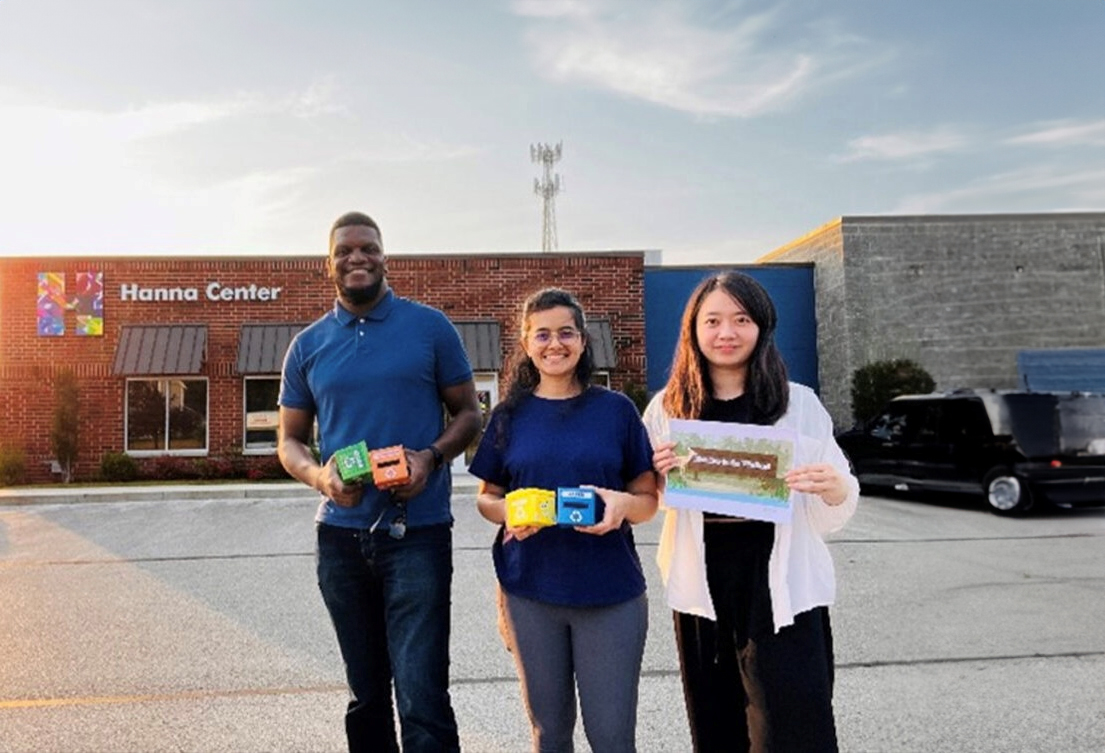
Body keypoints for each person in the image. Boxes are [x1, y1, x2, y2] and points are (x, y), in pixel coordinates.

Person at [277, 211, 482, 753]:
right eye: (344, 250)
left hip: (418, 532)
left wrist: (431, 458)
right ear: (329, 264)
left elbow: (468, 413)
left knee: (422, 695)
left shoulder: (430, 327)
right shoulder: (307, 345)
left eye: (367, 247)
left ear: (385, 256)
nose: (357, 257)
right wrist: (322, 477)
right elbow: (290, 441)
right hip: (341, 539)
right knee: (366, 696)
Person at [643, 271, 858, 753]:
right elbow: (652, 505)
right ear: (692, 330)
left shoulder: (797, 403)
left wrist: (836, 488)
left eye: (741, 319)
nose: (726, 333)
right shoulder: (668, 408)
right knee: (718, 726)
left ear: (761, 326)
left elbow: (835, 509)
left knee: (795, 727)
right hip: (704, 588)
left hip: (782, 588)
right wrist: (656, 478)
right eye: (712, 320)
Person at [468, 288, 658, 753]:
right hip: (530, 593)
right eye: (543, 334)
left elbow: (648, 498)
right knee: (549, 735)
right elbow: (486, 499)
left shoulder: (616, 411)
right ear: (527, 342)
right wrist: (509, 510)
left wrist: (621, 506)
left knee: (612, 738)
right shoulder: (509, 416)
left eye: (566, 332)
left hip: (609, 594)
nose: (556, 344)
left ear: (583, 339)